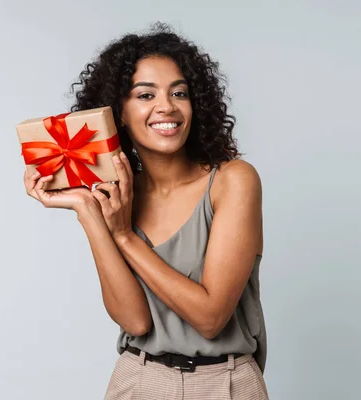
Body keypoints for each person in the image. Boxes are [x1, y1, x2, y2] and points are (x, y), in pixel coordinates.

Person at [23, 23, 268, 399]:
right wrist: (87, 210)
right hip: (138, 379)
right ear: (118, 112)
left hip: (225, 383)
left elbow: (210, 317)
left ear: (195, 103)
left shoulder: (233, 181)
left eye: (179, 93)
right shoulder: (116, 196)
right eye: (145, 95)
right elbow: (135, 320)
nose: (165, 107)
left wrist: (123, 236)